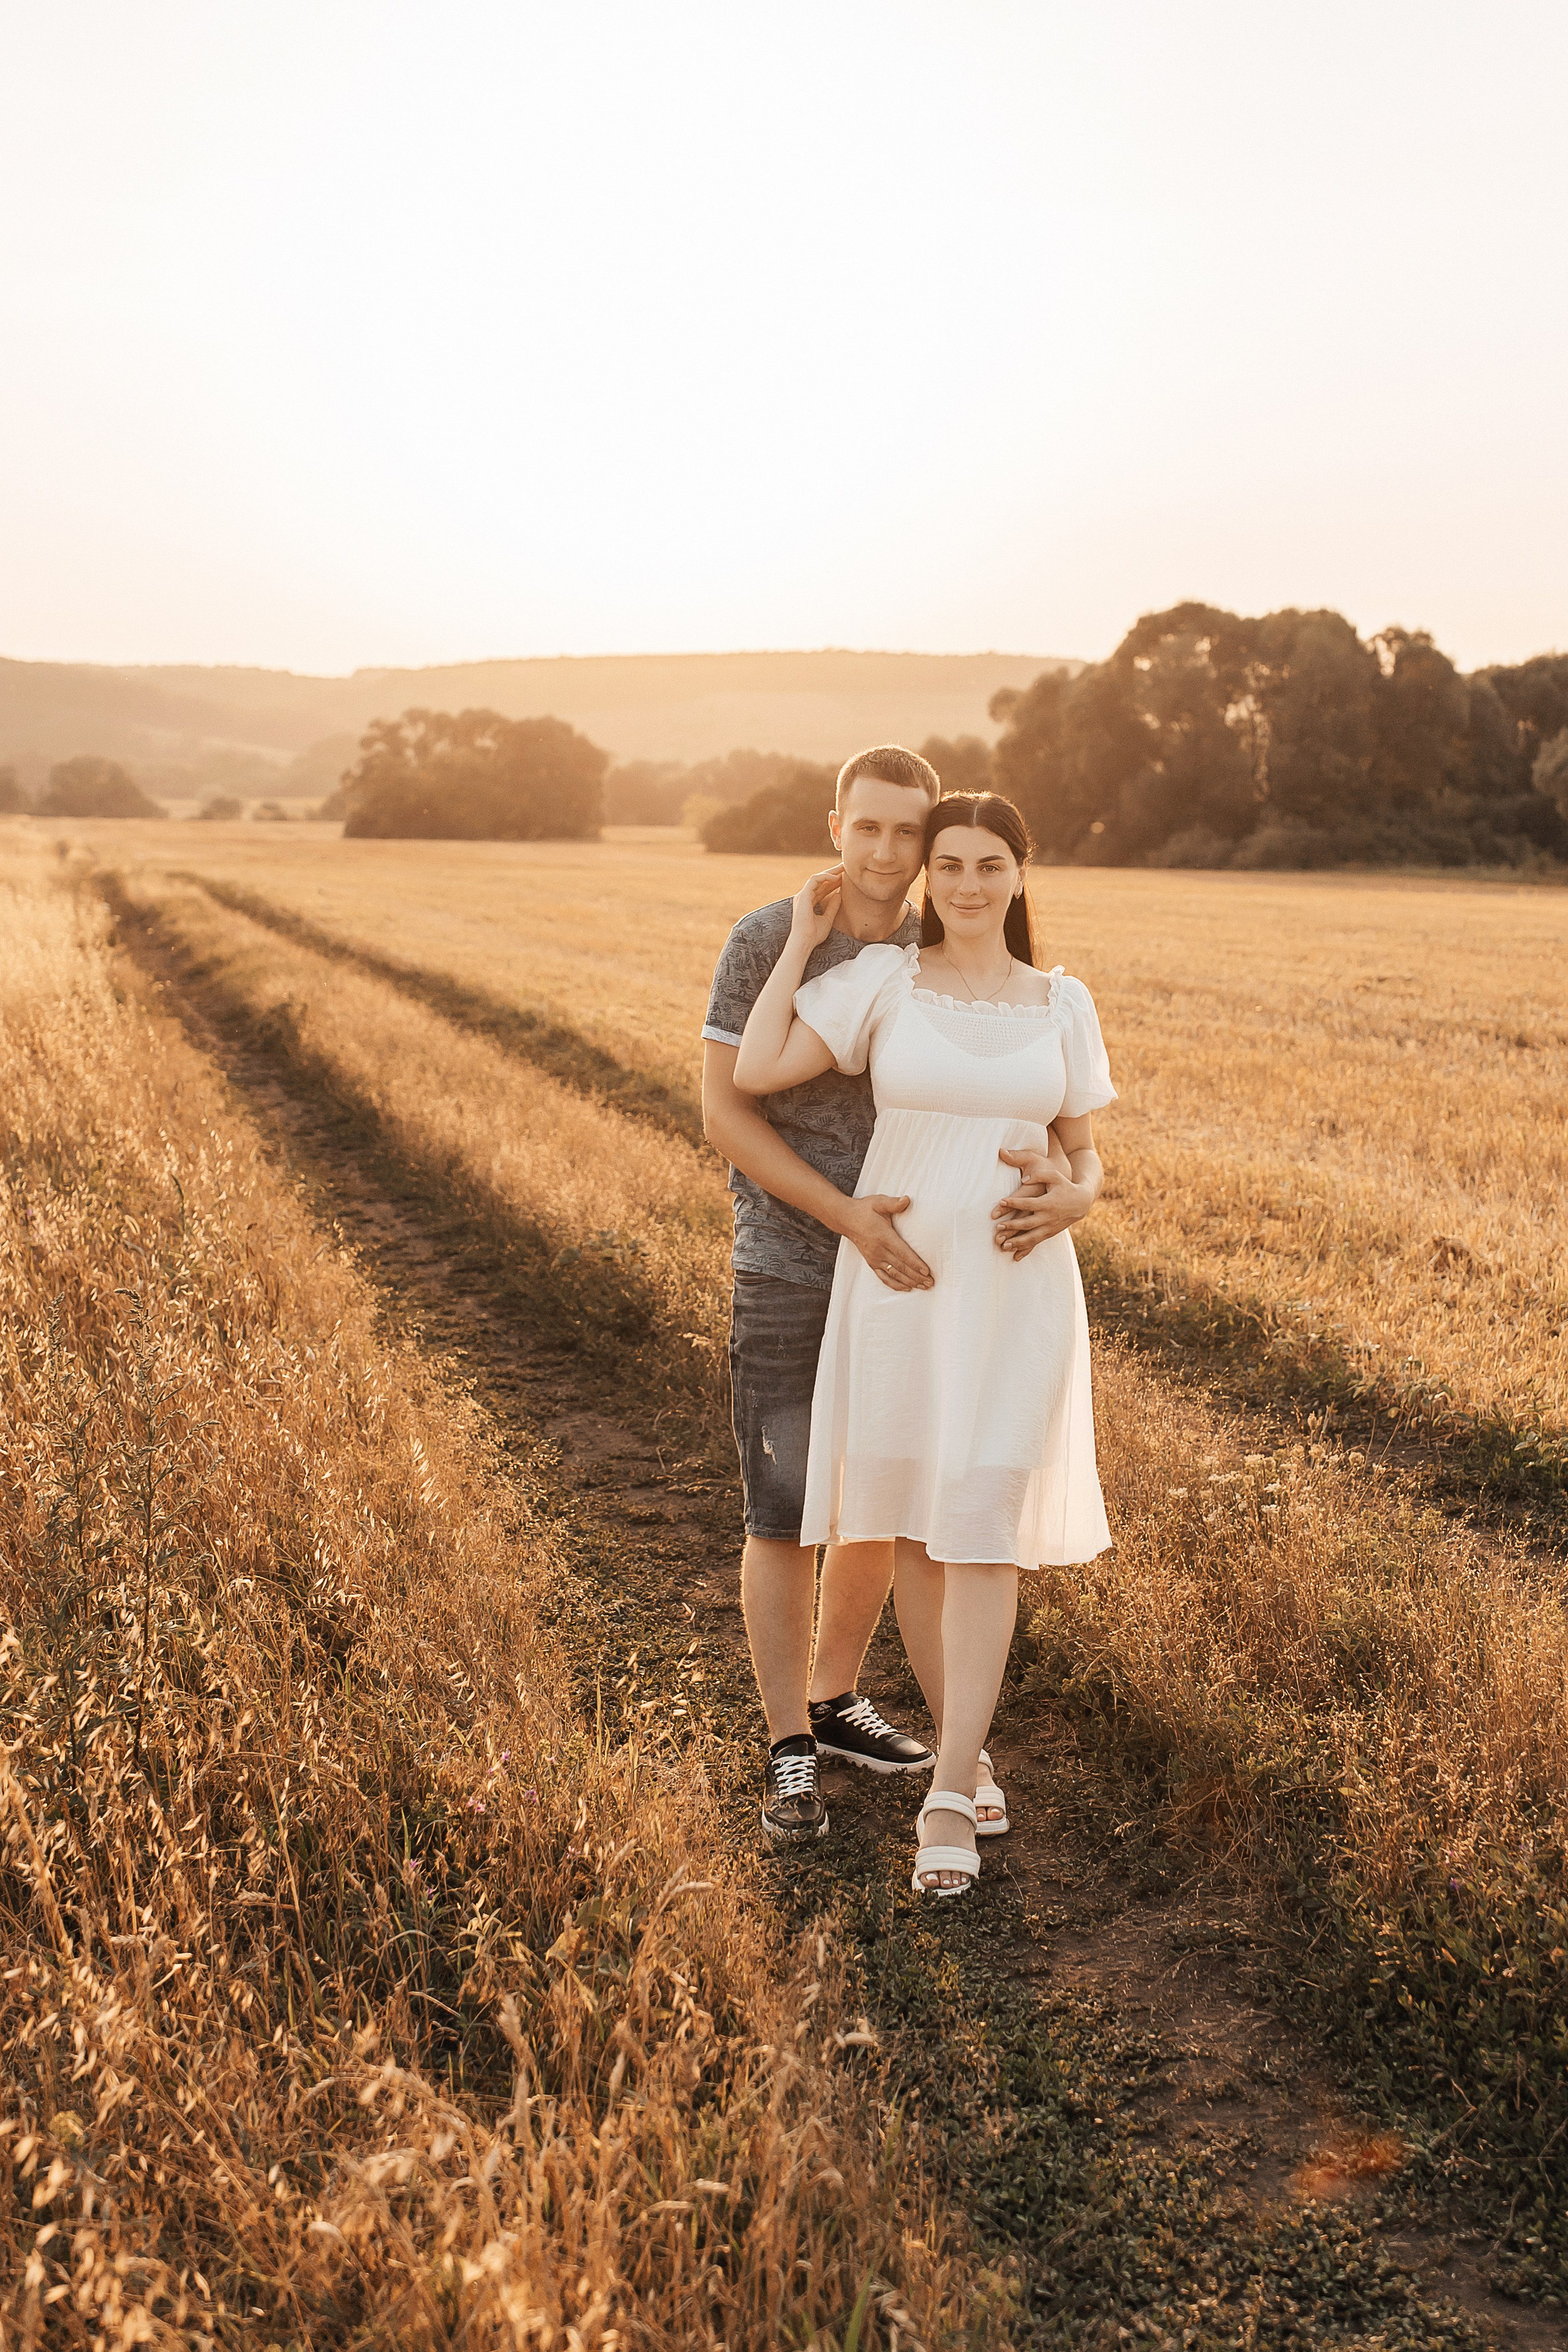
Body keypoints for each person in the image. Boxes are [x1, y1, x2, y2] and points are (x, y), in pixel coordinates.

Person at [732, 790, 1115, 1896]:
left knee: (983, 1526)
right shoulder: (885, 981)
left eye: (988, 863)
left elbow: (1085, 1158)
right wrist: (802, 940)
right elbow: (756, 1072)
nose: (964, 883)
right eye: (947, 863)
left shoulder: (1062, 1002)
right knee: (914, 1535)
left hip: (1017, 1292)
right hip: (900, 1291)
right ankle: (965, 1752)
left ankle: (948, 1792)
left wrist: (1076, 1204)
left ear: (1019, 875)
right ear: (930, 877)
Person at [703, 745, 954, 1845]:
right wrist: (841, 1214)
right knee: (786, 1507)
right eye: (870, 828)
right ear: (836, 825)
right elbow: (727, 1113)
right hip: (793, 1262)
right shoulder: (766, 937)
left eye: (910, 832)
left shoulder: (946, 940)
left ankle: (837, 1697)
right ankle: (788, 1749)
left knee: (880, 1493)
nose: (889, 853)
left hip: (908, 1269)